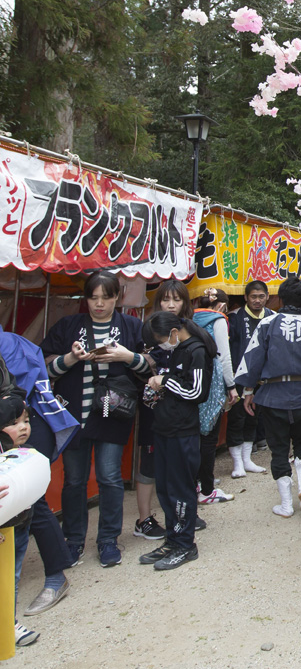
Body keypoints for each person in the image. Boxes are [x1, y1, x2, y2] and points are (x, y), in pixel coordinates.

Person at [42, 270, 150, 567]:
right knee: (74, 480)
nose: (99, 304)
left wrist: (126, 358)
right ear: (86, 298)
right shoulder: (69, 325)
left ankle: (107, 540)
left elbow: (151, 369)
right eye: (93, 297)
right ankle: (73, 539)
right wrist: (71, 358)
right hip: (73, 412)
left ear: (118, 296)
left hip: (112, 413)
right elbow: (45, 367)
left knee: (110, 477)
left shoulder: (131, 326)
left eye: (106, 297)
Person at [0, 323, 76, 618]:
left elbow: (14, 397)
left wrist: (13, 423)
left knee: (30, 504)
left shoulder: (8, 345)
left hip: (19, 432)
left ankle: (55, 577)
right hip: (18, 429)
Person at [236, 277, 301, 518]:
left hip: (272, 395)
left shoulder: (267, 323)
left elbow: (253, 359)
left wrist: (247, 391)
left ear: (280, 298)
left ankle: (286, 505)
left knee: (278, 449)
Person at [136, 312, 214, 570]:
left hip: (183, 432)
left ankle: (186, 544)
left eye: (160, 341)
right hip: (164, 429)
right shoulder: (175, 349)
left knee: (181, 490)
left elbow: (197, 392)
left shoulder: (197, 351)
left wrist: (165, 382)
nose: (160, 347)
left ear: (173, 332)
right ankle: (172, 539)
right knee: (166, 490)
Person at [132, 280, 191, 543]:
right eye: (165, 299)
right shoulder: (148, 332)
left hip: (182, 412)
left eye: (176, 300)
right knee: (149, 464)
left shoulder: (190, 333)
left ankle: (179, 517)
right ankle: (144, 519)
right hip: (154, 411)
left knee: (178, 467)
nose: (170, 304)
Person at [191, 288, 237, 505]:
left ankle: (197, 481)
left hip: (193, 381)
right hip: (213, 382)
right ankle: (207, 489)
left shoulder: (191, 317)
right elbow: (224, 355)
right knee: (209, 436)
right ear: (221, 305)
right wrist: (231, 385)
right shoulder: (219, 320)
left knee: (196, 435)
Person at [2, 399, 40, 646]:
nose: (23, 427)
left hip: (19, 524)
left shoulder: (25, 453)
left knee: (12, 575)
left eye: (25, 422)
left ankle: (8, 622)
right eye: (14, 424)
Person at [226, 280, 272, 478]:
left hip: (261, 379)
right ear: (245, 297)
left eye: (261, 296)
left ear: (267, 297)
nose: (257, 301)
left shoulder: (272, 317)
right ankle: (237, 463)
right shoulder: (234, 318)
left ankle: (247, 459)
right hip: (239, 377)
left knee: (253, 417)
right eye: (253, 296)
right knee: (236, 418)